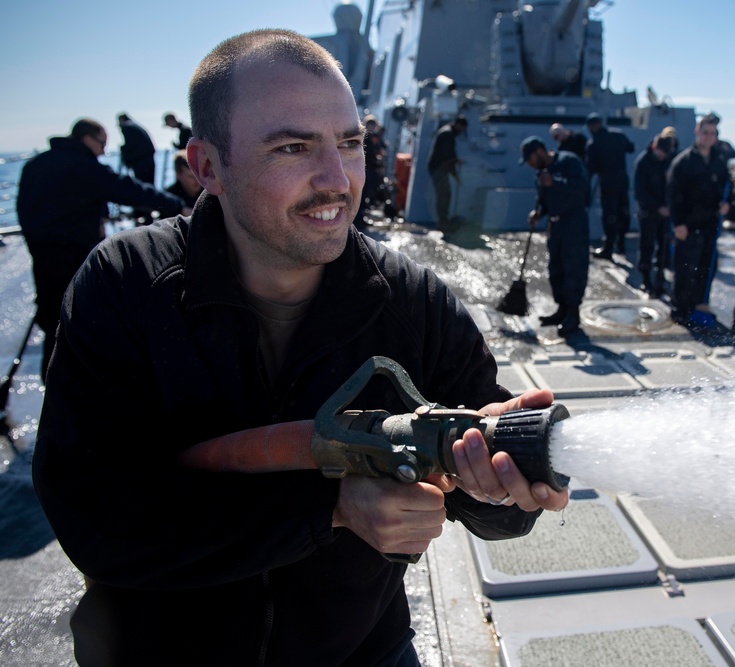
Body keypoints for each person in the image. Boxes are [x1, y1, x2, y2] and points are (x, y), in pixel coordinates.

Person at [32, 29, 567, 666]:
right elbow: (94, 517)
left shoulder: (415, 302)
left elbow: (495, 508)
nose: (337, 180)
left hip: (362, 652)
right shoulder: (124, 288)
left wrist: (501, 490)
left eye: (350, 143)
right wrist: (330, 507)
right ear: (207, 167)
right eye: (293, 147)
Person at [15, 118, 188, 381]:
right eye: (102, 143)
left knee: (50, 315)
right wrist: (177, 204)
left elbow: (22, 207)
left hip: (39, 250)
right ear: (87, 138)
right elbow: (127, 189)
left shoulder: (35, 164)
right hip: (72, 251)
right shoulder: (80, 167)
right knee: (77, 317)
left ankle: (52, 385)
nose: (105, 151)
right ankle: (77, 384)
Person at [519, 135, 590, 337]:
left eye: (530, 159)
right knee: (556, 268)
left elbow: (582, 190)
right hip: (556, 226)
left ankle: (573, 315)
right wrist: (538, 213)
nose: (530, 165)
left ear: (539, 152)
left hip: (574, 224)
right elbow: (543, 199)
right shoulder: (541, 174)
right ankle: (561, 310)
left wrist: (555, 182)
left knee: (573, 268)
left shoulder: (569, 161)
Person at [666, 114, 731, 325]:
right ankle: (680, 309)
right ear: (697, 132)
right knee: (685, 270)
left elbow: (726, 190)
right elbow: (673, 195)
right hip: (688, 224)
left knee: (706, 269)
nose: (708, 137)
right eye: (705, 132)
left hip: (710, 225)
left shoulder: (719, 162)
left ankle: (699, 305)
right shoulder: (683, 162)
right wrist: (678, 224)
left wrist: (728, 206)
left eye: (712, 133)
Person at [633, 129, 677, 296]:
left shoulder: (668, 161)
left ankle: (660, 279)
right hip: (648, 212)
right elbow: (640, 192)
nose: (663, 156)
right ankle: (646, 279)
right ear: (654, 147)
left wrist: (669, 206)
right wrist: (658, 207)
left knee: (664, 248)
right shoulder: (643, 162)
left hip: (665, 213)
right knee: (646, 246)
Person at [585, 112, 635, 258]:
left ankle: (608, 248)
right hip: (622, 180)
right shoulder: (618, 135)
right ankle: (621, 244)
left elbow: (591, 169)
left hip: (607, 183)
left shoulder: (593, 144)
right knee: (622, 212)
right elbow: (630, 147)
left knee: (610, 215)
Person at [427, 114, 467, 233]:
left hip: (438, 168)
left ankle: (443, 221)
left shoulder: (447, 132)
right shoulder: (448, 134)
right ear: (459, 125)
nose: (462, 131)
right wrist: (456, 176)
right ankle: (443, 222)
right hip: (438, 168)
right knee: (444, 195)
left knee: (444, 194)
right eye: (463, 128)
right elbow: (448, 156)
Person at [356, 114, 388, 225]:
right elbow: (368, 154)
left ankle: (361, 216)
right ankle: (359, 219)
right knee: (362, 194)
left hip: (369, 169)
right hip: (365, 169)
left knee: (366, 194)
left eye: (373, 125)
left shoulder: (372, 137)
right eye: (370, 124)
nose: (372, 127)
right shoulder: (364, 137)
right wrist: (376, 160)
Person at [117, 113, 156, 185]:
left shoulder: (127, 127)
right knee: (149, 186)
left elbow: (130, 145)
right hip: (148, 160)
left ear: (121, 120)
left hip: (141, 162)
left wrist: (123, 150)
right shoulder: (135, 126)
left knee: (142, 186)